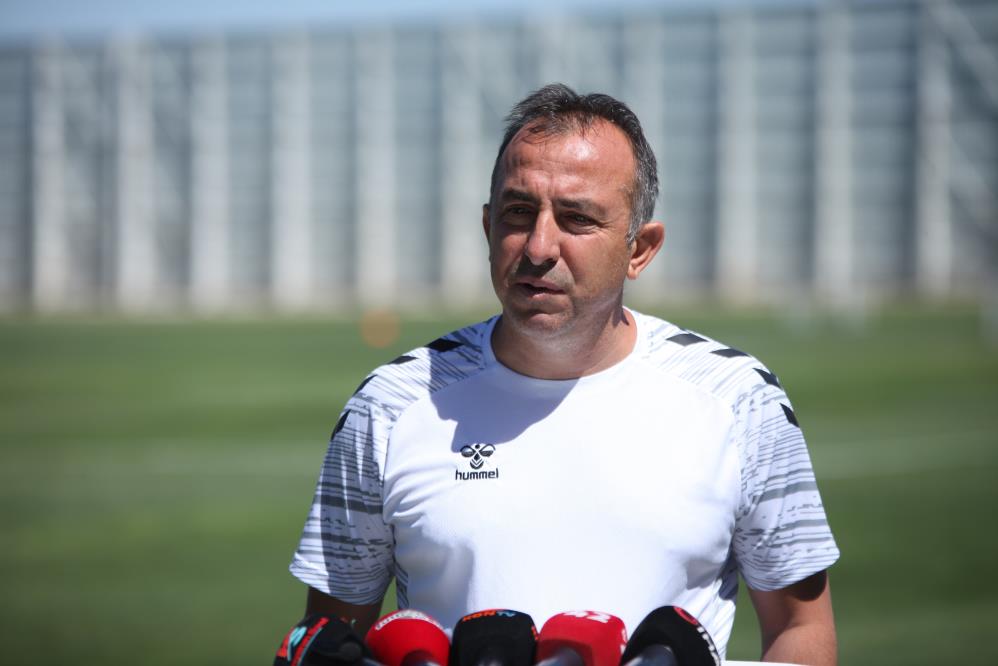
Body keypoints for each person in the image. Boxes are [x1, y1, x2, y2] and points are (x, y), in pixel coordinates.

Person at [289, 83, 839, 664]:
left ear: (640, 249)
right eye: (518, 213)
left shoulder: (738, 399)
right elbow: (331, 640)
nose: (538, 246)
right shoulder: (390, 405)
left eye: (577, 218)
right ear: (487, 227)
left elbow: (800, 626)